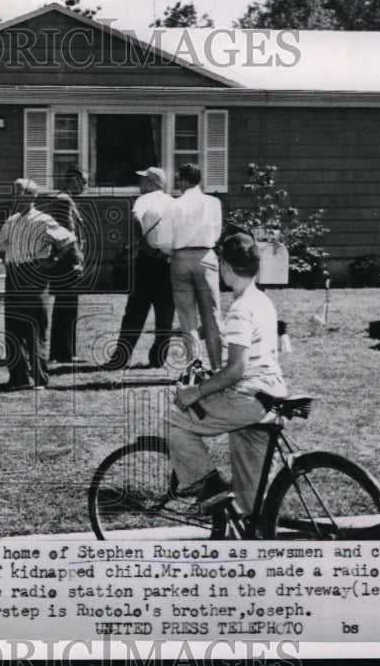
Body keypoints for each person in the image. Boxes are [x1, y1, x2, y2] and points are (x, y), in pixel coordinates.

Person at [166, 232, 287, 515]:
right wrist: (215, 378)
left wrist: (197, 390)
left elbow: (236, 370)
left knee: (174, 418)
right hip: (272, 393)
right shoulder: (263, 301)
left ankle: (211, 488)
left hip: (248, 397)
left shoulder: (239, 309)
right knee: (252, 496)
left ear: (227, 268)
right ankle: (249, 532)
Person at [0, 178, 75, 390]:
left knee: (35, 327)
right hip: (13, 275)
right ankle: (18, 376)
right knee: (13, 327)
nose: (16, 197)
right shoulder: (11, 220)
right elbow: (0, 245)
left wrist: (54, 260)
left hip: (34, 275)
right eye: (14, 193)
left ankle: (39, 378)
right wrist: (9, 261)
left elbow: (67, 240)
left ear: (32, 196)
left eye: (20, 193)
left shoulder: (43, 220)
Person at [104, 167, 175, 369]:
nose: (140, 184)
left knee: (135, 312)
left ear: (153, 183)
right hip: (167, 262)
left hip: (146, 261)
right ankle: (159, 358)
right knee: (165, 314)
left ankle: (121, 357)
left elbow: (135, 219)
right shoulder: (173, 202)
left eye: (143, 180)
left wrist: (142, 243)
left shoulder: (144, 200)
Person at [156, 163, 224, 370]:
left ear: (184, 180)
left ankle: (195, 366)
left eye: (179, 180)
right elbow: (216, 232)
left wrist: (173, 252)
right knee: (212, 314)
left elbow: (164, 240)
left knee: (187, 316)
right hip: (205, 256)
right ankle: (218, 366)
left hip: (181, 258)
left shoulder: (174, 205)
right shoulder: (213, 202)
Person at [49, 165, 89, 364]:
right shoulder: (63, 200)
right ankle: (63, 352)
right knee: (66, 306)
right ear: (73, 180)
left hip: (67, 262)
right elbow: (67, 236)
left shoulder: (65, 199)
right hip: (67, 263)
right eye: (84, 182)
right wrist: (77, 261)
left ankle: (64, 351)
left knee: (67, 307)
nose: (86, 186)